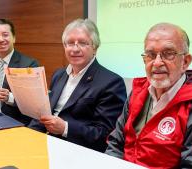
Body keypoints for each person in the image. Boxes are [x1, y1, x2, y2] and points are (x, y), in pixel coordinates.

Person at [105, 23, 192, 168]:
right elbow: (116, 143)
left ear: (185, 62)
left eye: (168, 53)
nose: (157, 63)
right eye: (150, 55)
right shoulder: (137, 94)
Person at [28, 18, 127, 152]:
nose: (75, 49)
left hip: (77, 150)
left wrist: (65, 128)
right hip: (45, 144)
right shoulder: (59, 74)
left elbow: (105, 135)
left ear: (95, 47)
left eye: (82, 43)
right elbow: (45, 114)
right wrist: (27, 136)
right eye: (70, 43)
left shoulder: (112, 82)